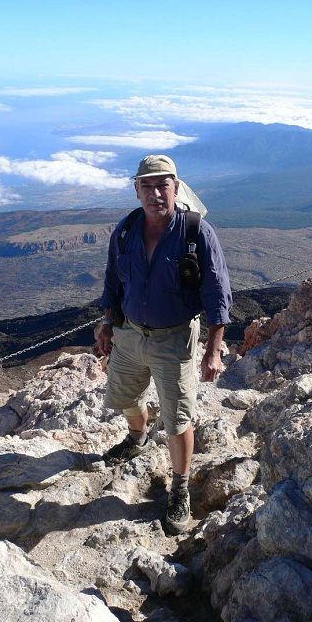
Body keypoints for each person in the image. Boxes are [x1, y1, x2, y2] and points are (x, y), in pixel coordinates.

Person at [97, 154, 232, 535]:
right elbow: (113, 280)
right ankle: (138, 437)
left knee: (177, 418)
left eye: (163, 185)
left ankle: (180, 488)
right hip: (128, 333)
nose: (155, 193)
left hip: (174, 338)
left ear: (176, 187)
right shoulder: (125, 231)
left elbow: (217, 290)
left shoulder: (196, 232)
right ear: (136, 189)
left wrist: (214, 347)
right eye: (147, 185)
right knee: (124, 397)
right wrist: (106, 323)